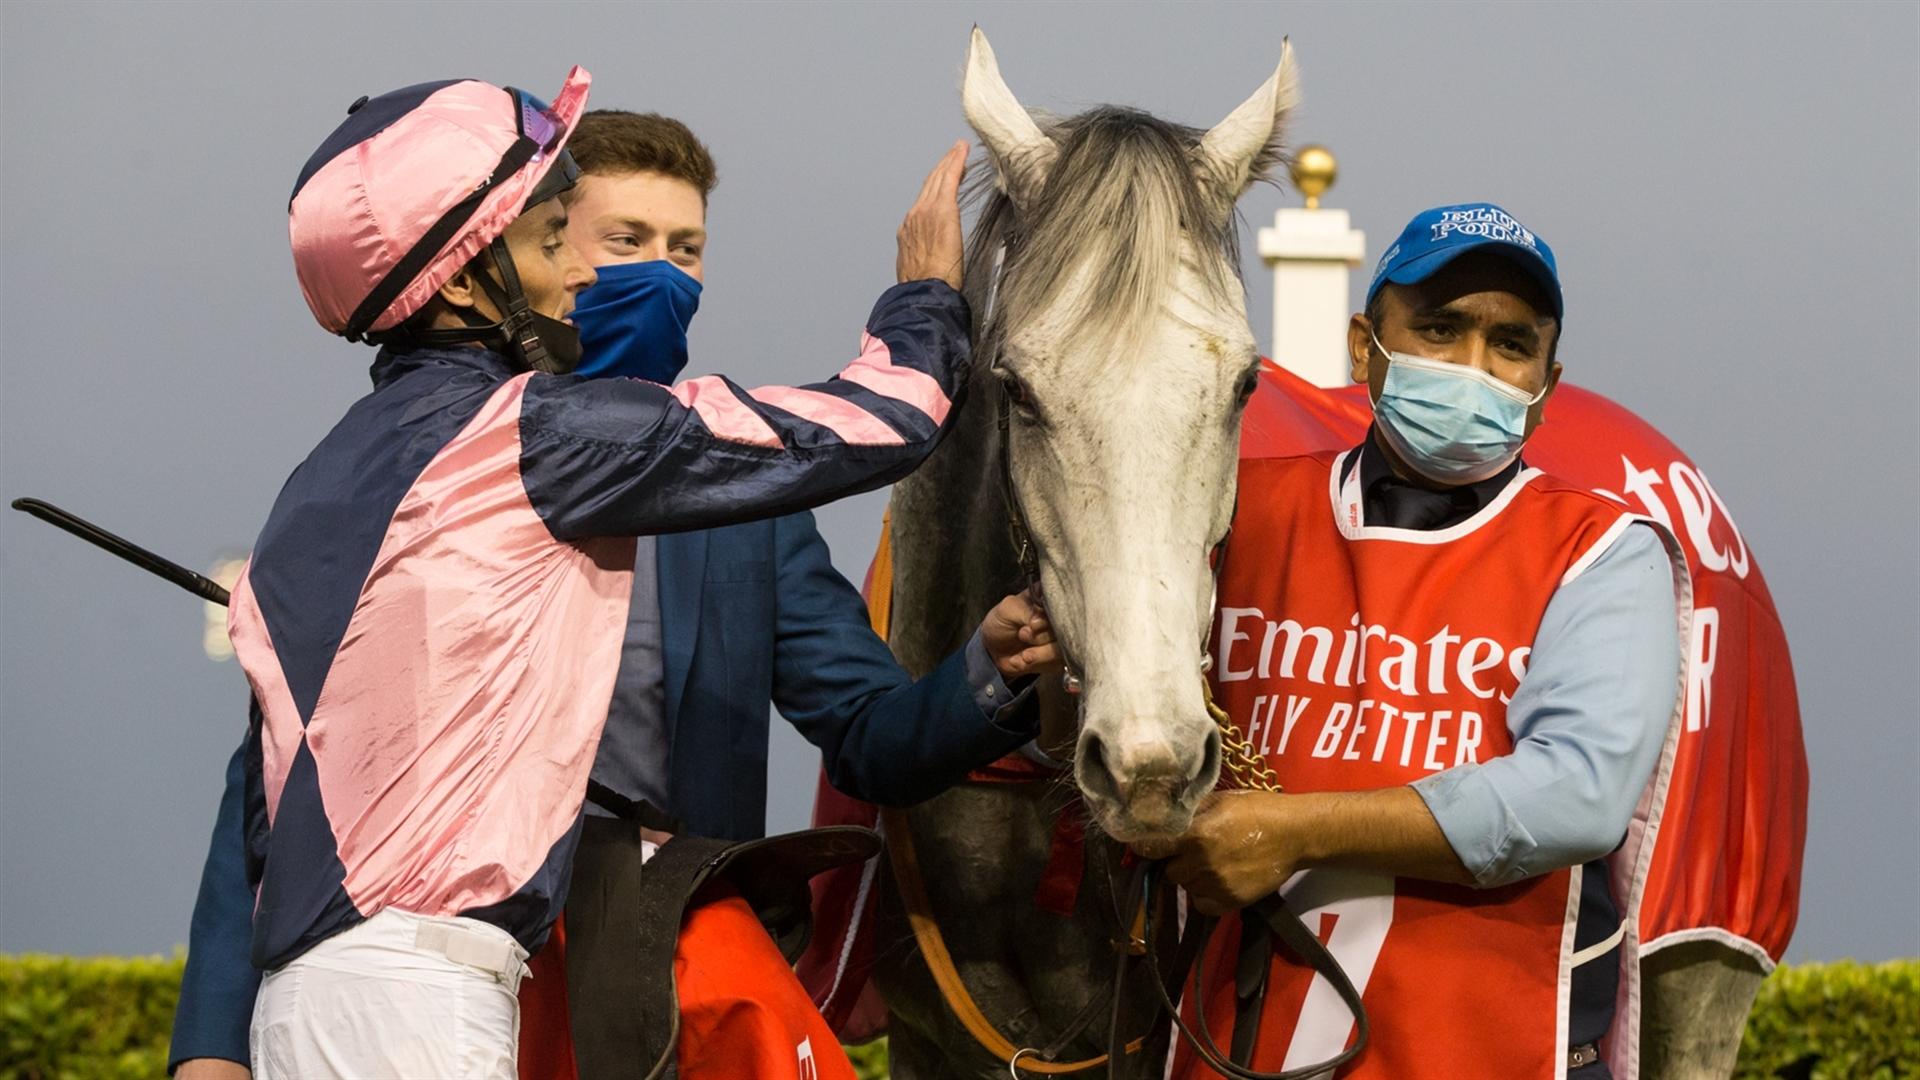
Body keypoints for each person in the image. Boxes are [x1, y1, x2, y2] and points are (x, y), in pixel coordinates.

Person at [169, 97, 1059, 1078]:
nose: (620, 275)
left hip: (464, 984)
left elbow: (871, 730)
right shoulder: (530, 433)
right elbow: (889, 416)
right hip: (448, 985)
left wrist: (989, 669)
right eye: (600, 240)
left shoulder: (336, 469)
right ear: (481, 267)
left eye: (687, 249)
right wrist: (928, 298)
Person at [1140, 204, 1688, 1079]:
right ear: (1365, 348)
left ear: (1547, 389)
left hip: (1487, 1051)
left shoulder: (1605, 552)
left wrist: (1297, 832)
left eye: (1511, 346)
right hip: (1225, 1042)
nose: (1474, 369)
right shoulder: (1227, 510)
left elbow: (1578, 794)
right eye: (1439, 330)